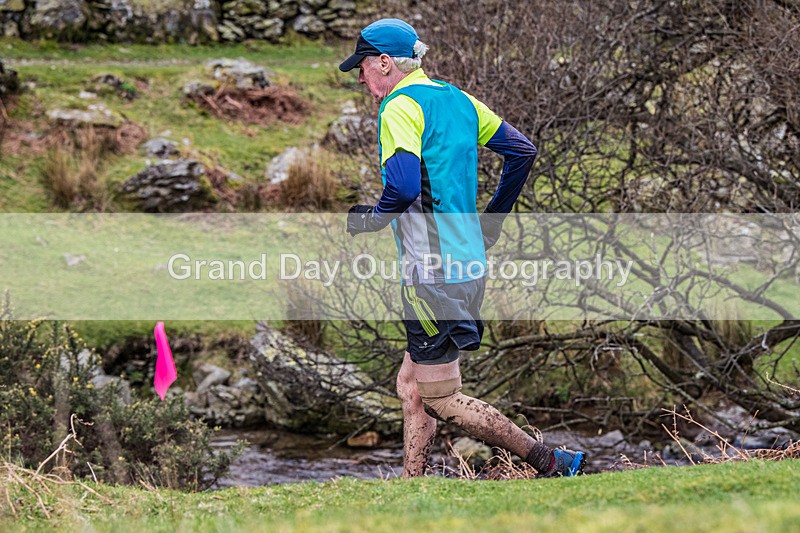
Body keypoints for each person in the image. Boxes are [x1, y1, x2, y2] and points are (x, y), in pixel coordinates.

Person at [341, 18, 586, 478]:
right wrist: (490, 222)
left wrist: (369, 220)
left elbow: (403, 187)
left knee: (441, 399)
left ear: (385, 63)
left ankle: (550, 460)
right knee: (411, 385)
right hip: (467, 264)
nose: (360, 77)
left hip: (431, 274)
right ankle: (413, 487)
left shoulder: (399, 105)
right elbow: (522, 152)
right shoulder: (459, 100)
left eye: (363, 66)